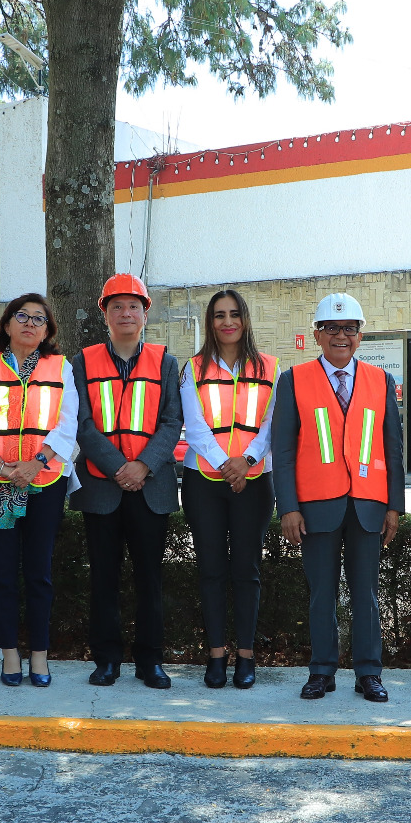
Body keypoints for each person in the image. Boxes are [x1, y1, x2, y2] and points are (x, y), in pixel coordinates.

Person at [271, 292, 404, 702]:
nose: (340, 336)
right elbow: (284, 449)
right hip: (315, 508)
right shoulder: (294, 380)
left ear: (361, 336)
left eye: (349, 328)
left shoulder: (381, 381)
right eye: (331, 328)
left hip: (368, 505)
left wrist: (394, 507)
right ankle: (322, 670)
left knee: (366, 594)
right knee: (321, 593)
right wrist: (288, 507)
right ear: (317, 335)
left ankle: (368, 672)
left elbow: (392, 447)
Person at [0, 293, 80, 687]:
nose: (30, 324)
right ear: (7, 324)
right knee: (2, 573)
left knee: (39, 573)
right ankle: (9, 653)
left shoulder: (61, 368)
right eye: (22, 316)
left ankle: (40, 656)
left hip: (44, 479)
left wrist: (35, 464)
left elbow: (68, 422)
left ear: (48, 330)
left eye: (39, 319)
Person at [71, 274, 183, 688]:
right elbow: (80, 423)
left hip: (150, 487)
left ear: (145, 313)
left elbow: (173, 422)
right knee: (103, 578)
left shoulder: (166, 362)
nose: (125, 313)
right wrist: (120, 465)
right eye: (116, 306)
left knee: (149, 579)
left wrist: (143, 466)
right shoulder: (82, 362)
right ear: (105, 313)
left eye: (133, 306)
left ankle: (150, 660)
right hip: (102, 488)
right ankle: (107, 659)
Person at [180, 289, 277, 689]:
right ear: (210, 323)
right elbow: (194, 422)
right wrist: (225, 463)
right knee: (212, 570)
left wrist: (247, 461)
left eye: (234, 314)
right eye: (219, 315)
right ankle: (216, 656)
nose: (227, 322)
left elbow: (273, 422)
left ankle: (246, 657)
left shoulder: (270, 367)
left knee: (247, 570)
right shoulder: (192, 368)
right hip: (205, 480)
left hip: (253, 480)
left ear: (246, 319)